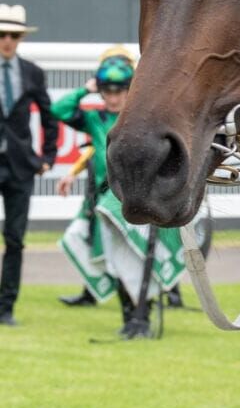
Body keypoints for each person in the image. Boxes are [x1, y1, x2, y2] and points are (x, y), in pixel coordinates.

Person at [52, 49, 188, 335]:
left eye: (119, 91)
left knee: (137, 258)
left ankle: (143, 315)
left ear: (129, 90)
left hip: (136, 195)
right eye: (107, 91)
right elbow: (59, 110)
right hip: (103, 198)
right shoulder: (94, 119)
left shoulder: (145, 120)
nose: (113, 97)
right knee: (113, 259)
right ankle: (130, 317)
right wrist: (86, 89)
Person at [0, 2, 58, 327]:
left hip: (20, 167)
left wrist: (47, 158)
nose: (7, 41)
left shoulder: (32, 72)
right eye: (2, 35)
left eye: (14, 35)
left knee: (15, 239)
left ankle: (6, 308)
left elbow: (50, 118)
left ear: (21, 38)